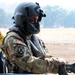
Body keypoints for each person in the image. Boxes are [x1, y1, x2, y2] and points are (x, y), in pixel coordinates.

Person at [1, 2, 67, 74]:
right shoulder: (12, 39)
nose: (35, 23)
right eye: (32, 20)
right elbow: (27, 62)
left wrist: (63, 64)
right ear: (22, 19)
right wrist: (55, 65)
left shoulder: (34, 39)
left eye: (37, 19)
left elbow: (45, 57)